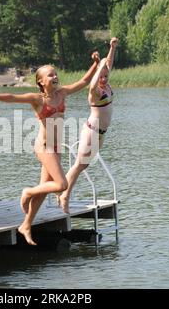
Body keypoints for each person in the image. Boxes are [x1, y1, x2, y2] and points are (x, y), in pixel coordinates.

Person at [0, 52, 100, 245]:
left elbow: (84, 81)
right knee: (61, 185)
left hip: (56, 147)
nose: (55, 76)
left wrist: (95, 64)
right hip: (44, 147)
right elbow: (13, 97)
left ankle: (26, 225)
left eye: (55, 73)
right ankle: (28, 192)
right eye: (50, 75)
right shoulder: (38, 99)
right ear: (41, 82)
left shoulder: (62, 93)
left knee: (44, 190)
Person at [57, 37, 118, 214]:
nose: (104, 78)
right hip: (92, 131)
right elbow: (92, 84)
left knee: (83, 165)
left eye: (106, 76)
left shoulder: (106, 84)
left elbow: (109, 64)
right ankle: (63, 195)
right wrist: (98, 67)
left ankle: (60, 190)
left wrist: (111, 49)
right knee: (78, 165)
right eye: (102, 76)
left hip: (101, 133)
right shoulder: (95, 92)